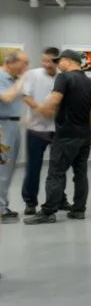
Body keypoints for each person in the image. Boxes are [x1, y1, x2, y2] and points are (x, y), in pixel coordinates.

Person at [24, 49, 91, 225]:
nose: (57, 64)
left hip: (66, 135)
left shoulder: (64, 78)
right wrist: (88, 134)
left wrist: (38, 111)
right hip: (84, 136)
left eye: (60, 61)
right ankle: (79, 210)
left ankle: (48, 212)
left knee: (55, 173)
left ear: (69, 61)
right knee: (80, 174)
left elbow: (55, 99)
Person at [20, 47, 71, 215]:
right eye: (44, 60)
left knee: (59, 168)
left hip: (57, 130)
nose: (47, 64)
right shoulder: (33, 75)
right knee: (33, 168)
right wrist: (42, 110)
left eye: (50, 61)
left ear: (57, 61)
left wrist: (54, 112)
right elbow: (26, 96)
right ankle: (30, 202)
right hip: (36, 130)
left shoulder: (64, 77)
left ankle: (60, 199)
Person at [0, 49, 30, 223]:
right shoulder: (1, 76)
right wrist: (21, 80)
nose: (26, 67)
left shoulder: (13, 79)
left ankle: (3, 206)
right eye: (23, 63)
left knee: (9, 168)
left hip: (12, 125)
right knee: (2, 168)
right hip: (2, 127)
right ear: (11, 62)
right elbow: (7, 98)